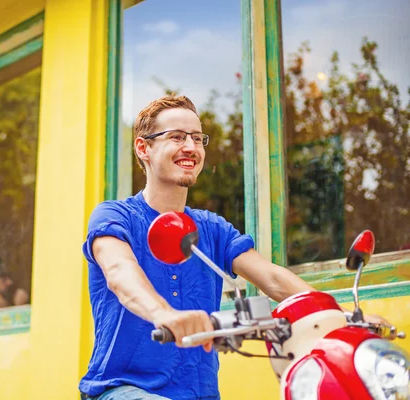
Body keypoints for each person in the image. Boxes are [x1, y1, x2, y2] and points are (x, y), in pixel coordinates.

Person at [79, 95, 387, 400]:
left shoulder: (212, 229)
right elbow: (119, 271)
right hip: (123, 389)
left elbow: (272, 278)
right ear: (143, 147)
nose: (190, 147)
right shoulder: (115, 216)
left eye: (198, 138)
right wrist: (163, 314)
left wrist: (344, 319)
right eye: (176, 137)